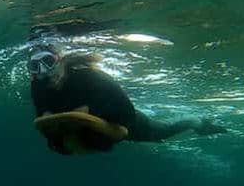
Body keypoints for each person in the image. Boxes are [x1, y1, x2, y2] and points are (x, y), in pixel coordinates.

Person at [28, 43, 227, 154]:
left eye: (48, 61)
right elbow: (45, 123)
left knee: (161, 133)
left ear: (60, 60)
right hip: (90, 131)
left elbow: (126, 112)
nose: (44, 71)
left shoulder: (89, 76)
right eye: (35, 66)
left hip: (130, 122)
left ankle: (195, 121)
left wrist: (90, 112)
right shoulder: (38, 87)